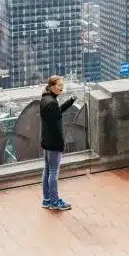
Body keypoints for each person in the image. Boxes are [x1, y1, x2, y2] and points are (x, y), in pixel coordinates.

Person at [40, 75, 77, 211]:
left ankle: (47, 199)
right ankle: (55, 203)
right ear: (51, 86)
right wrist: (61, 144)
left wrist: (70, 101)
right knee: (54, 172)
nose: (62, 87)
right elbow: (56, 125)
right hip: (53, 141)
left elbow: (57, 113)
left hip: (46, 139)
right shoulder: (52, 102)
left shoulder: (45, 98)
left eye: (62, 84)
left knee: (47, 170)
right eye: (59, 85)